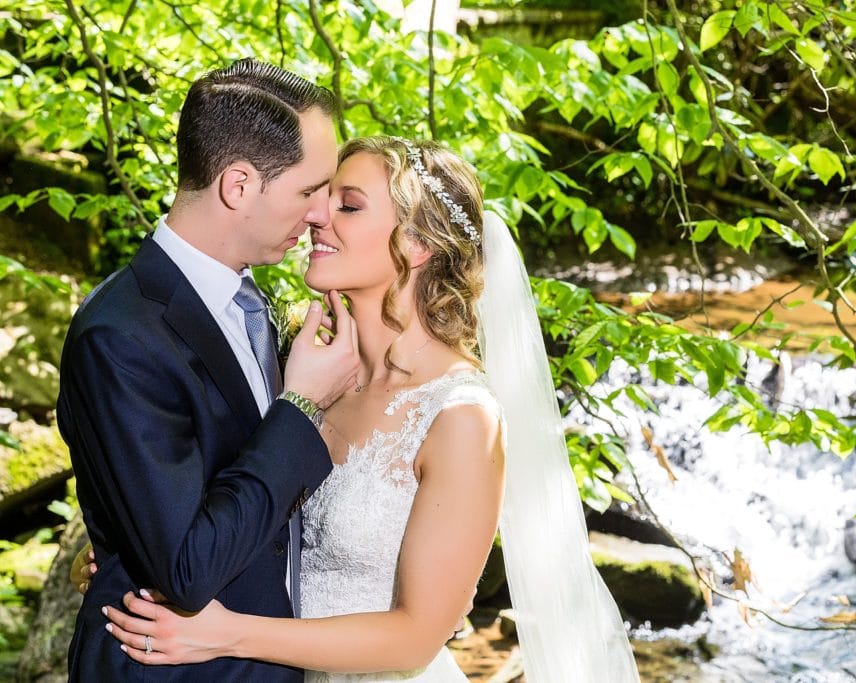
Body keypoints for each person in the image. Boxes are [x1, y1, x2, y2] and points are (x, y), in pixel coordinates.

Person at [102, 136, 642, 682]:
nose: (317, 216)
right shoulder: (299, 370)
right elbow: (224, 507)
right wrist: (138, 550)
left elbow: (413, 639)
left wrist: (228, 633)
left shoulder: (460, 417)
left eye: (349, 205)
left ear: (417, 245)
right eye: (322, 198)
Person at [57, 58, 360, 682]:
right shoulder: (120, 335)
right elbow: (187, 569)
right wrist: (299, 407)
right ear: (238, 185)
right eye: (310, 190)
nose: (321, 214)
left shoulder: (252, 304)